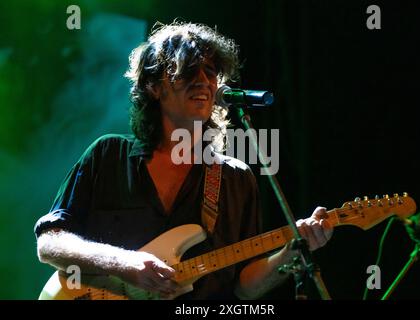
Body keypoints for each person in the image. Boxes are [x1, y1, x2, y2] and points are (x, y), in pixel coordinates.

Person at [34, 21, 333, 300]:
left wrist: (292, 252)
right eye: (189, 70)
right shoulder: (108, 155)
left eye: (211, 71)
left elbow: (245, 285)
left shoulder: (235, 178)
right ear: (153, 86)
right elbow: (50, 243)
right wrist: (125, 264)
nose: (204, 81)